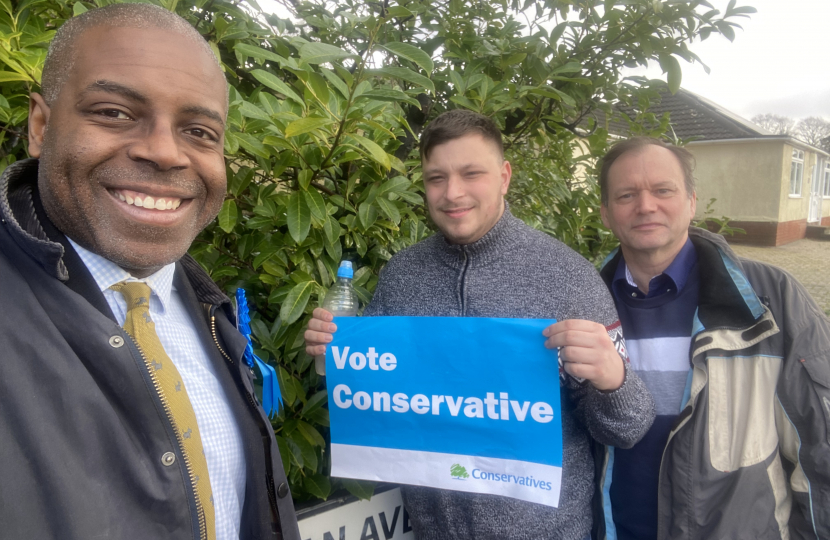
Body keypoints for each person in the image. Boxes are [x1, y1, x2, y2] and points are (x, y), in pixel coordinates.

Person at [0, 5, 300, 539]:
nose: (165, 153)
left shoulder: (212, 312)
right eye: (114, 112)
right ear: (41, 126)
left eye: (200, 131)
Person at [304, 109, 655, 540]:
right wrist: (339, 354)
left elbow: (629, 427)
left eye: (471, 173)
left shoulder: (568, 277)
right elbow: (381, 399)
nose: (453, 193)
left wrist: (613, 379)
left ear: (504, 176)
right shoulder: (402, 274)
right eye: (436, 178)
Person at [594, 137, 830, 540]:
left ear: (691, 201)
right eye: (627, 194)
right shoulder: (583, 303)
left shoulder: (770, 299)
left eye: (663, 190)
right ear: (605, 214)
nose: (646, 205)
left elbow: (819, 449)